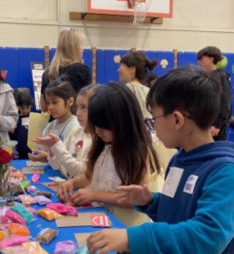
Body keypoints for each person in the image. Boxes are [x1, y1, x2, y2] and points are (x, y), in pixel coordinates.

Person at [87, 68, 234, 254]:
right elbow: (176, 211)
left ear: (176, 120)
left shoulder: (226, 172)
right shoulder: (178, 159)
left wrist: (133, 237)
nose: (153, 128)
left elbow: (207, 236)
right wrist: (151, 201)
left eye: (154, 120)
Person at [57, 84, 162, 227]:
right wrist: (72, 183)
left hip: (124, 228)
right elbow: (89, 176)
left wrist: (95, 194)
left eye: (103, 127)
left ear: (122, 121)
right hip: (99, 219)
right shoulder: (102, 144)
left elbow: (135, 200)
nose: (98, 132)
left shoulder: (138, 153)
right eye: (96, 126)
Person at [33, 84, 101, 178]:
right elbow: (56, 165)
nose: (77, 112)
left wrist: (56, 146)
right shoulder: (76, 132)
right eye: (77, 107)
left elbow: (80, 173)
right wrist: (52, 149)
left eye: (83, 107)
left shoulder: (97, 140)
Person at [40, 28, 91, 112]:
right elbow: (89, 103)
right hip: (76, 121)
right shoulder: (82, 70)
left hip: (56, 123)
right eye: (81, 44)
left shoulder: (48, 72)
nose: (83, 49)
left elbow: (44, 107)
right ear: (75, 47)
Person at [29, 81, 79, 162]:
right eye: (48, 103)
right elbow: (46, 151)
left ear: (70, 101)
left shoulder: (76, 126)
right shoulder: (50, 126)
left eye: (54, 102)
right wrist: (40, 155)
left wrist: (47, 157)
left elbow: (73, 159)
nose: (50, 107)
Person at [197, 46, 233, 140]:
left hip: (215, 126)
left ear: (211, 59)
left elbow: (225, 101)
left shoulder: (221, 76)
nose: (199, 62)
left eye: (201, 59)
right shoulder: (205, 77)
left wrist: (218, 125)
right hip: (205, 123)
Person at [118, 51, 157, 119]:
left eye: (121, 65)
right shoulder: (148, 91)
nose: (118, 70)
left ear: (132, 69)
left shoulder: (125, 90)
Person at [9, 88, 34, 159]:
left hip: (32, 151)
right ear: (18, 107)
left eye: (27, 107)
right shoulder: (15, 120)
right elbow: (12, 137)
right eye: (23, 108)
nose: (25, 110)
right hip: (19, 153)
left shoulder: (35, 118)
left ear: (31, 106)